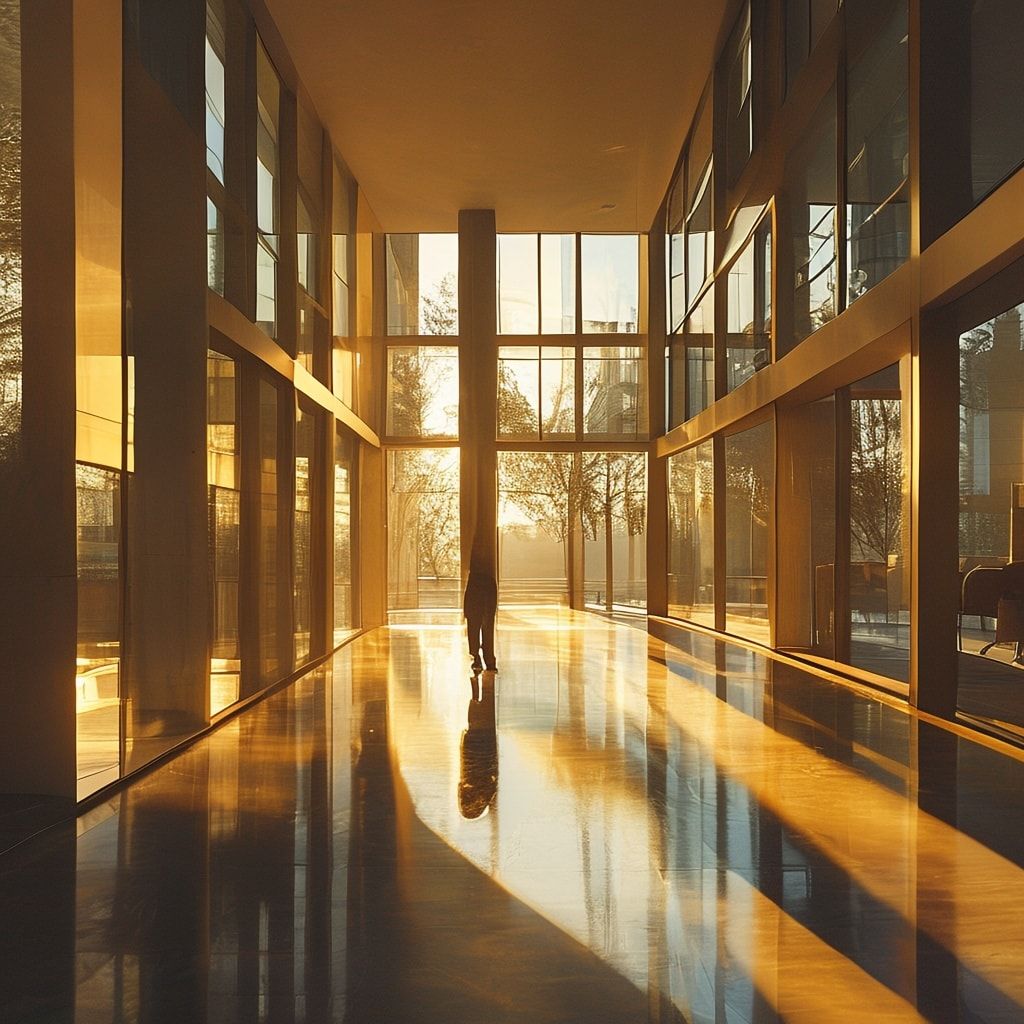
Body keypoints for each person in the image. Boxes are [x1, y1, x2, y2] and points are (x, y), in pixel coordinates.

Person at [463, 559, 497, 672]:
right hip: (485, 579)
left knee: (474, 623)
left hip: (476, 581)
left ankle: (476, 655)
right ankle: (487, 656)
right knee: (486, 623)